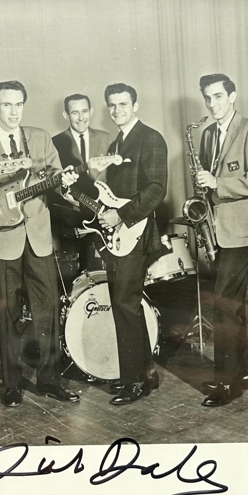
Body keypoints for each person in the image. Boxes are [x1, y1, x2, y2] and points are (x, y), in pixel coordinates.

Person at [0, 80, 80, 407]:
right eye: (6, 105)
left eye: (18, 105)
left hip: (39, 237)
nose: (13, 112)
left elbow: (56, 177)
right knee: (7, 314)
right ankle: (11, 385)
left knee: (48, 312)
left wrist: (66, 183)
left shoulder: (40, 138)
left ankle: (49, 380)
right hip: (1, 237)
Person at [194, 73, 248, 407]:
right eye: (208, 98)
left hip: (241, 230)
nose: (213, 104)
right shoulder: (208, 133)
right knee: (232, 304)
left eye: (219, 97)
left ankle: (227, 384)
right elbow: (208, 182)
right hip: (217, 229)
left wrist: (217, 183)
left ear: (233, 96)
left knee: (223, 303)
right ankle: (242, 372)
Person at [96, 83, 168, 406]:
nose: (117, 110)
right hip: (121, 236)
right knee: (127, 305)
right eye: (112, 105)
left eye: (123, 104)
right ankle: (143, 373)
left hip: (136, 234)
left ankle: (134, 382)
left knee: (125, 305)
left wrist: (121, 216)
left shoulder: (150, 138)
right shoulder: (116, 143)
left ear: (135, 105)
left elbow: (156, 189)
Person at [50, 94, 113, 270]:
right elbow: (52, 180)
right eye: (75, 113)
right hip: (72, 218)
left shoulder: (106, 138)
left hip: (103, 214)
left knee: (108, 269)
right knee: (76, 272)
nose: (81, 118)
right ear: (66, 115)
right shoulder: (54, 143)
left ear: (91, 111)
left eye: (84, 111)